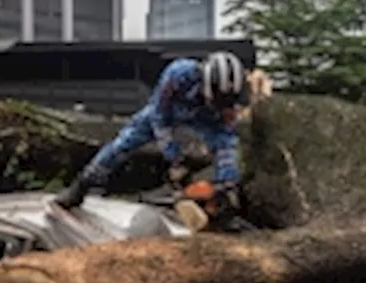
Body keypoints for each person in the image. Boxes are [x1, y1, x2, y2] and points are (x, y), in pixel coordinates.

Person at [54, 51, 246, 209]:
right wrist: (174, 157)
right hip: (166, 111)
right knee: (122, 144)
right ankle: (82, 185)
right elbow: (159, 116)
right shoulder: (178, 74)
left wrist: (227, 180)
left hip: (204, 118)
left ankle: (223, 202)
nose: (222, 105)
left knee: (227, 147)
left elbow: (226, 135)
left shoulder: (230, 98)